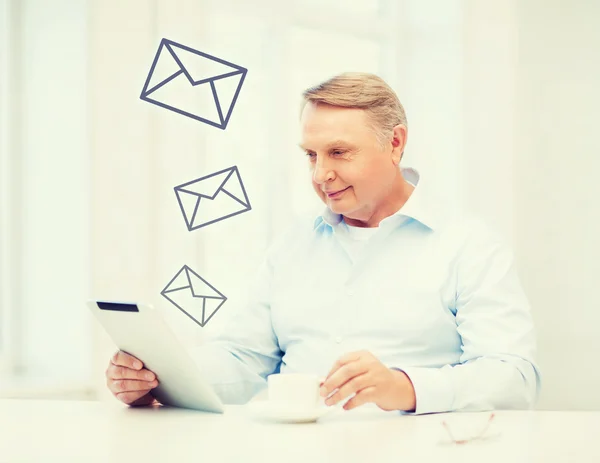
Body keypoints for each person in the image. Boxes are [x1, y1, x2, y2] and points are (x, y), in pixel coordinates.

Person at [105, 72, 541, 414]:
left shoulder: (469, 245)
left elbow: (514, 376)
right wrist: (159, 378)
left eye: (339, 152)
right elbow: (243, 360)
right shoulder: (293, 245)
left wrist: (405, 387)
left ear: (395, 143)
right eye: (311, 155)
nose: (319, 175)